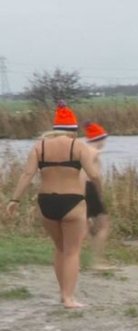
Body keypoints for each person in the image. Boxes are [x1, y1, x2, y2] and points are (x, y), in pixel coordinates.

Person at [6, 102, 101, 308]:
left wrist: (14, 200)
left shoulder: (39, 147)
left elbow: (27, 174)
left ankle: (62, 293)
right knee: (72, 251)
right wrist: (97, 175)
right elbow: (93, 175)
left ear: (55, 129)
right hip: (72, 202)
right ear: (73, 130)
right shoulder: (79, 147)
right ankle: (69, 298)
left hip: (46, 202)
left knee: (59, 249)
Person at [82, 122, 112, 269]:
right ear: (99, 139)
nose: (105, 142)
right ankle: (97, 261)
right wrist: (100, 193)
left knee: (86, 225)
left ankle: (78, 259)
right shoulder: (94, 152)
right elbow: (95, 176)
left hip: (79, 189)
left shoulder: (81, 150)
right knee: (104, 225)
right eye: (104, 139)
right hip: (90, 189)